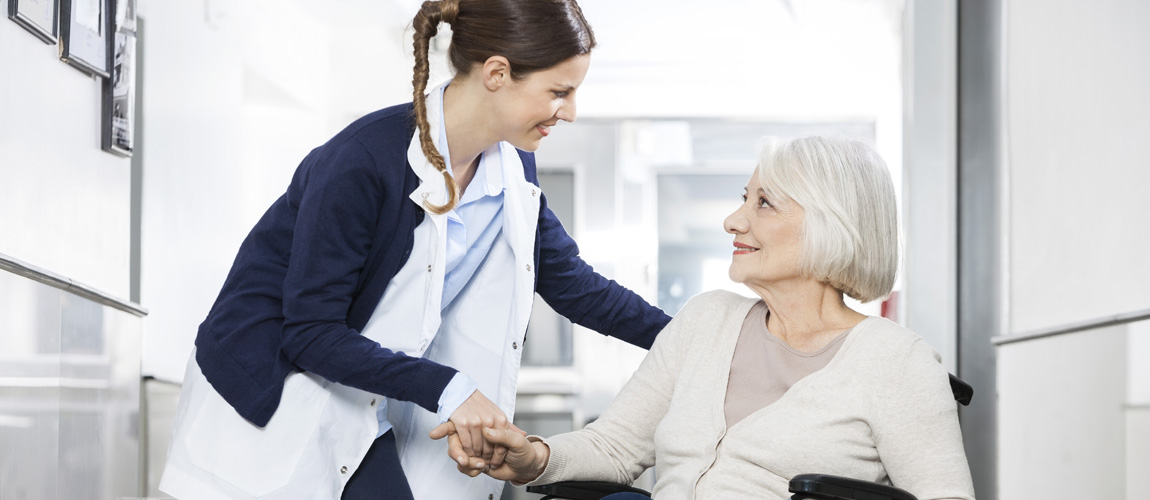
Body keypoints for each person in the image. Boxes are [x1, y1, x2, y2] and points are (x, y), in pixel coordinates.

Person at [157, 1, 670, 499]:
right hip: (273, 387)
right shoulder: (363, 161)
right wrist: (450, 389)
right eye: (559, 92)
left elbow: (575, 286)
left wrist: (697, 336)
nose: (571, 112)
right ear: (497, 72)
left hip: (356, 397)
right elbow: (310, 332)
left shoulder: (512, 173)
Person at [443, 136, 977, 500]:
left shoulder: (896, 361)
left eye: (764, 203)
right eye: (743, 197)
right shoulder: (706, 321)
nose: (733, 219)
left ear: (831, 225)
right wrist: (532, 456)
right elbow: (614, 447)